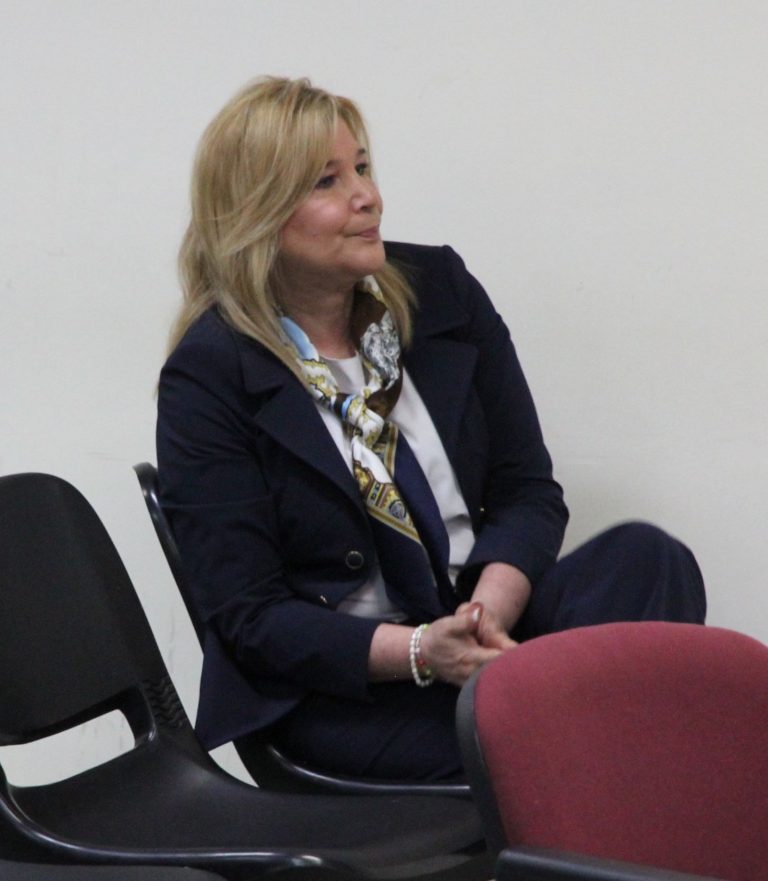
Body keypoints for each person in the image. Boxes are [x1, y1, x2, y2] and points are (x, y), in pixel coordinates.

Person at [156, 76, 706, 782]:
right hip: (357, 689)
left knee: (647, 560)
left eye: (363, 168)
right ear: (257, 215)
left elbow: (527, 492)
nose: (367, 196)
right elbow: (251, 617)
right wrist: (422, 651)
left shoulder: (440, 289)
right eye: (327, 182)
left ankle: (569, 738)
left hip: (486, 632)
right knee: (587, 735)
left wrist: (484, 615)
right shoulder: (210, 373)